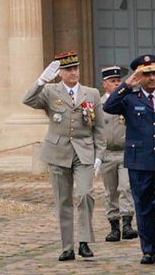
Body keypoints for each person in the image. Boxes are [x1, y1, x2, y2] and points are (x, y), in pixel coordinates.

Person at [102, 54, 155, 265]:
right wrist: (127, 84)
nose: (152, 78)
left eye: (154, 73)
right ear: (138, 76)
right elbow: (108, 106)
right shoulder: (129, 98)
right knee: (143, 206)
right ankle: (149, 249)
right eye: (146, 74)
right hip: (139, 160)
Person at [22, 50, 104, 261]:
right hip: (58, 151)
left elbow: (99, 127)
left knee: (85, 194)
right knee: (63, 200)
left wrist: (99, 154)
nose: (73, 72)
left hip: (84, 151)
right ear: (60, 73)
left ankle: (84, 241)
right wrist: (41, 81)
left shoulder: (91, 93)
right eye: (68, 69)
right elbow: (28, 100)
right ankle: (67, 246)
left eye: (75, 68)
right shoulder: (50, 92)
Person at [97, 65, 137, 242]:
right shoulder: (98, 105)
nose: (116, 84)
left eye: (118, 81)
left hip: (125, 152)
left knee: (126, 187)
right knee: (111, 191)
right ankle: (114, 225)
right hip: (107, 153)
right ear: (104, 84)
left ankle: (127, 223)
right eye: (112, 81)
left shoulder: (126, 101)